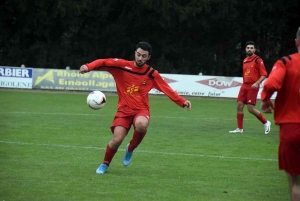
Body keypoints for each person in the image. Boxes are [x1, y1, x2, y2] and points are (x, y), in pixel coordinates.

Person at [79, 42, 191, 174]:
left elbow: (166, 88)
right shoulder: (122, 66)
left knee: (142, 124)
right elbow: (104, 62)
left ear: (148, 57)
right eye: (138, 55)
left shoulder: (151, 74)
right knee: (116, 140)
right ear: (135, 53)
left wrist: (182, 101)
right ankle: (105, 164)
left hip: (141, 110)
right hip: (123, 110)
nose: (140, 58)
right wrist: (88, 66)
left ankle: (130, 149)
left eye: (144, 56)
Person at [261, 27, 300, 201]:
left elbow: (270, 84)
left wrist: (266, 100)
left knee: (296, 183)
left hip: (292, 129)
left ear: (297, 41)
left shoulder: (286, 61)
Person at [229, 41, 271, 134]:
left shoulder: (258, 60)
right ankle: (239, 129)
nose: (249, 49)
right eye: (248, 48)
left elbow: (264, 74)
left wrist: (257, 83)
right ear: (245, 49)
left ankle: (266, 122)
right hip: (245, 85)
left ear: (255, 50)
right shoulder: (244, 60)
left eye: (251, 48)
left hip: (253, 86)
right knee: (239, 105)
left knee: (250, 109)